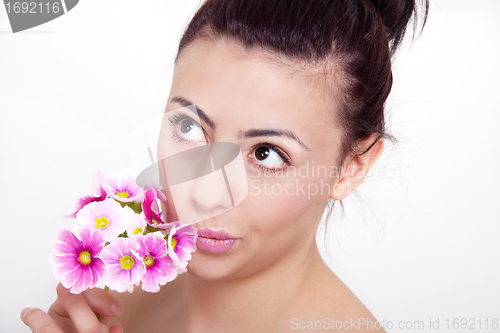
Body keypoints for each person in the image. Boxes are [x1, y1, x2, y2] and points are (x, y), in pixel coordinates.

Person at [20, 0, 428, 331]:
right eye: (189, 127)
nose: (205, 191)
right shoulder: (120, 292)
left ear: (352, 166)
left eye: (267, 154)